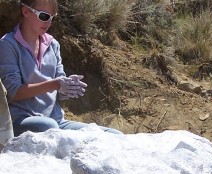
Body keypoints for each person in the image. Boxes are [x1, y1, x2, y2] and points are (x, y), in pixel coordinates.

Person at [0, 0, 123, 137]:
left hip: (56, 121)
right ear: (26, 11)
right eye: (44, 16)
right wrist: (55, 84)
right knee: (50, 128)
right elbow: (13, 92)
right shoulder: (7, 45)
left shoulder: (53, 45)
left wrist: (68, 87)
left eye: (52, 17)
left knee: (113, 134)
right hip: (22, 121)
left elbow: (59, 91)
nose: (49, 22)